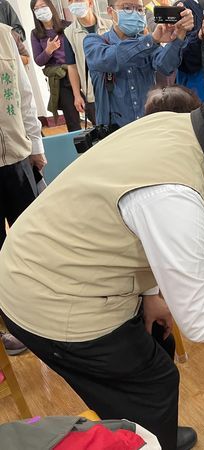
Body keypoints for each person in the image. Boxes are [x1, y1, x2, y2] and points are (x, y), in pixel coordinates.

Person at [0, 72, 204, 450]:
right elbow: (201, 322)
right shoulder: (176, 195)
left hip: (59, 263)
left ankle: (147, 430)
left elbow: (143, 224)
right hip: (48, 297)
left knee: (158, 341)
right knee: (155, 382)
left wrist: (153, 292)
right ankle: (147, 437)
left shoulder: (176, 124)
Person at [0, 23, 45, 356]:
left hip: (16, 157)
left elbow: (23, 93)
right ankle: (11, 325)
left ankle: (44, 319)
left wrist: (36, 143)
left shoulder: (4, 35)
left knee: (35, 243)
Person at [83, 0, 193, 130]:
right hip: (114, 132)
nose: (134, 13)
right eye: (127, 8)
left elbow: (166, 66)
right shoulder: (94, 42)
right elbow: (108, 59)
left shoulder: (149, 45)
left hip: (148, 126)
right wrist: (151, 40)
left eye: (140, 9)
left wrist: (179, 37)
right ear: (110, 11)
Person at [30, 0, 82, 132]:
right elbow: (38, 61)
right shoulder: (36, 33)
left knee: (93, 111)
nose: (41, 10)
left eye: (43, 6)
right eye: (36, 9)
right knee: (72, 120)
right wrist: (49, 50)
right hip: (60, 79)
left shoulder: (67, 26)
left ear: (51, 7)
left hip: (79, 72)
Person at [64, 0, 112, 126]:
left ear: (90, 3)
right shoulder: (69, 33)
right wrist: (77, 95)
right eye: (71, 1)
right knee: (103, 132)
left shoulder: (110, 25)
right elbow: (72, 66)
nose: (75, 3)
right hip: (93, 93)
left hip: (116, 88)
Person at [145, 0, 178, 86]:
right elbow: (153, 27)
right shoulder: (150, 7)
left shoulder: (170, 5)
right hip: (159, 51)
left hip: (171, 47)